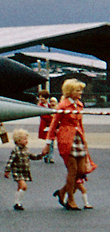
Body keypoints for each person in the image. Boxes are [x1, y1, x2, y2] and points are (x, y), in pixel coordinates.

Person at [49, 79, 89, 211]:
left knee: (81, 171)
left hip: (78, 138)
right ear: (70, 92)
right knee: (72, 171)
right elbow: (54, 124)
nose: (80, 93)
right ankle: (70, 199)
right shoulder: (63, 106)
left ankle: (62, 191)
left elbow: (80, 124)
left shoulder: (79, 105)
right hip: (66, 139)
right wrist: (49, 142)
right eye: (78, 90)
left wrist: (84, 140)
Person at [3, 128, 48, 210]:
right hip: (18, 171)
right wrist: (7, 170)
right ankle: (18, 203)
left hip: (24, 171)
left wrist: (41, 155)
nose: (26, 141)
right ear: (18, 140)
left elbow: (32, 156)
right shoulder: (15, 150)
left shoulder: (26, 149)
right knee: (24, 186)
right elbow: (11, 161)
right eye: (24, 139)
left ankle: (17, 202)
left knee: (20, 188)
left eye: (26, 139)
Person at [36, 91, 56, 163]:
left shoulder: (49, 105)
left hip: (50, 126)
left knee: (50, 141)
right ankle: (49, 156)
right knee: (49, 141)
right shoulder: (40, 106)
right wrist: (53, 120)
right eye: (40, 97)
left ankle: (47, 155)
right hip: (45, 126)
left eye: (42, 97)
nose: (40, 98)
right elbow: (43, 116)